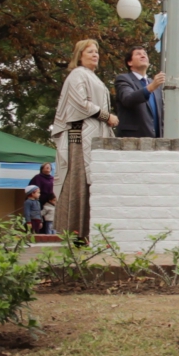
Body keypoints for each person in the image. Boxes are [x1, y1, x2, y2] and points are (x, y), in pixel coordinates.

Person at [52, 39, 118, 239]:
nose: (95, 54)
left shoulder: (93, 77)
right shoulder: (77, 74)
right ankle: (75, 232)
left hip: (95, 133)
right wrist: (108, 117)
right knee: (79, 180)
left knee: (92, 182)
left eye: (96, 51)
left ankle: (87, 232)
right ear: (80, 55)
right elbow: (81, 104)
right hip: (80, 135)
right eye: (90, 51)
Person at [114, 46, 165, 138]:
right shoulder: (123, 79)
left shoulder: (156, 85)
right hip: (132, 140)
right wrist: (150, 87)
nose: (143, 56)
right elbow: (128, 99)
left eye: (145, 54)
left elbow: (161, 116)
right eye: (138, 54)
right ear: (129, 62)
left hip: (156, 142)